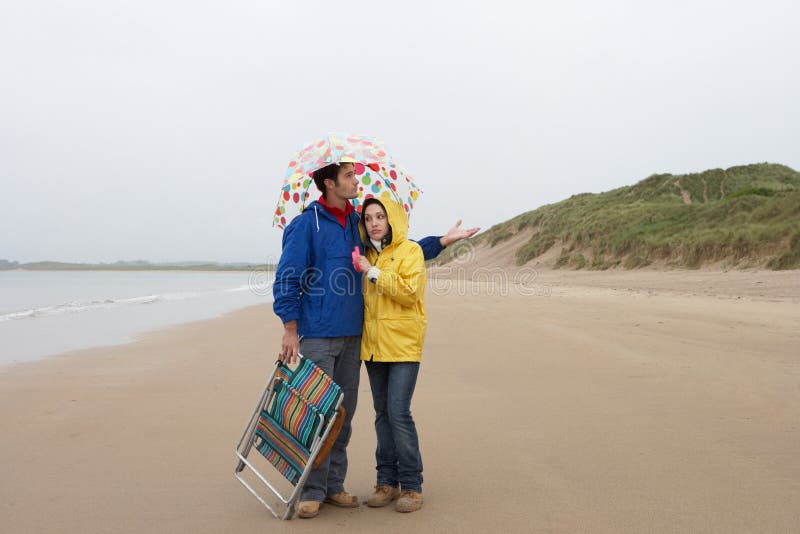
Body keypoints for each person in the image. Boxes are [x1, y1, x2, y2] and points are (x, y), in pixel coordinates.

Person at [272, 162, 478, 519]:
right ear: (329, 182)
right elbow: (287, 276)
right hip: (317, 334)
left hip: (355, 335)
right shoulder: (307, 224)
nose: (356, 181)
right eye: (349, 176)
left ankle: (334, 485)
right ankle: (312, 489)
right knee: (319, 413)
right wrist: (290, 328)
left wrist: (443, 241)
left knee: (344, 415)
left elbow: (402, 247)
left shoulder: (356, 222)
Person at [355, 197, 427, 513]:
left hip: (404, 344)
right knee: (382, 413)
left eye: (380, 216)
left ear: (391, 219)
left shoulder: (410, 251)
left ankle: (411, 486)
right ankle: (386, 482)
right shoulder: (364, 254)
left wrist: (372, 273)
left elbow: (410, 294)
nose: (374, 222)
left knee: (399, 411)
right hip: (374, 346)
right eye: (369, 217)